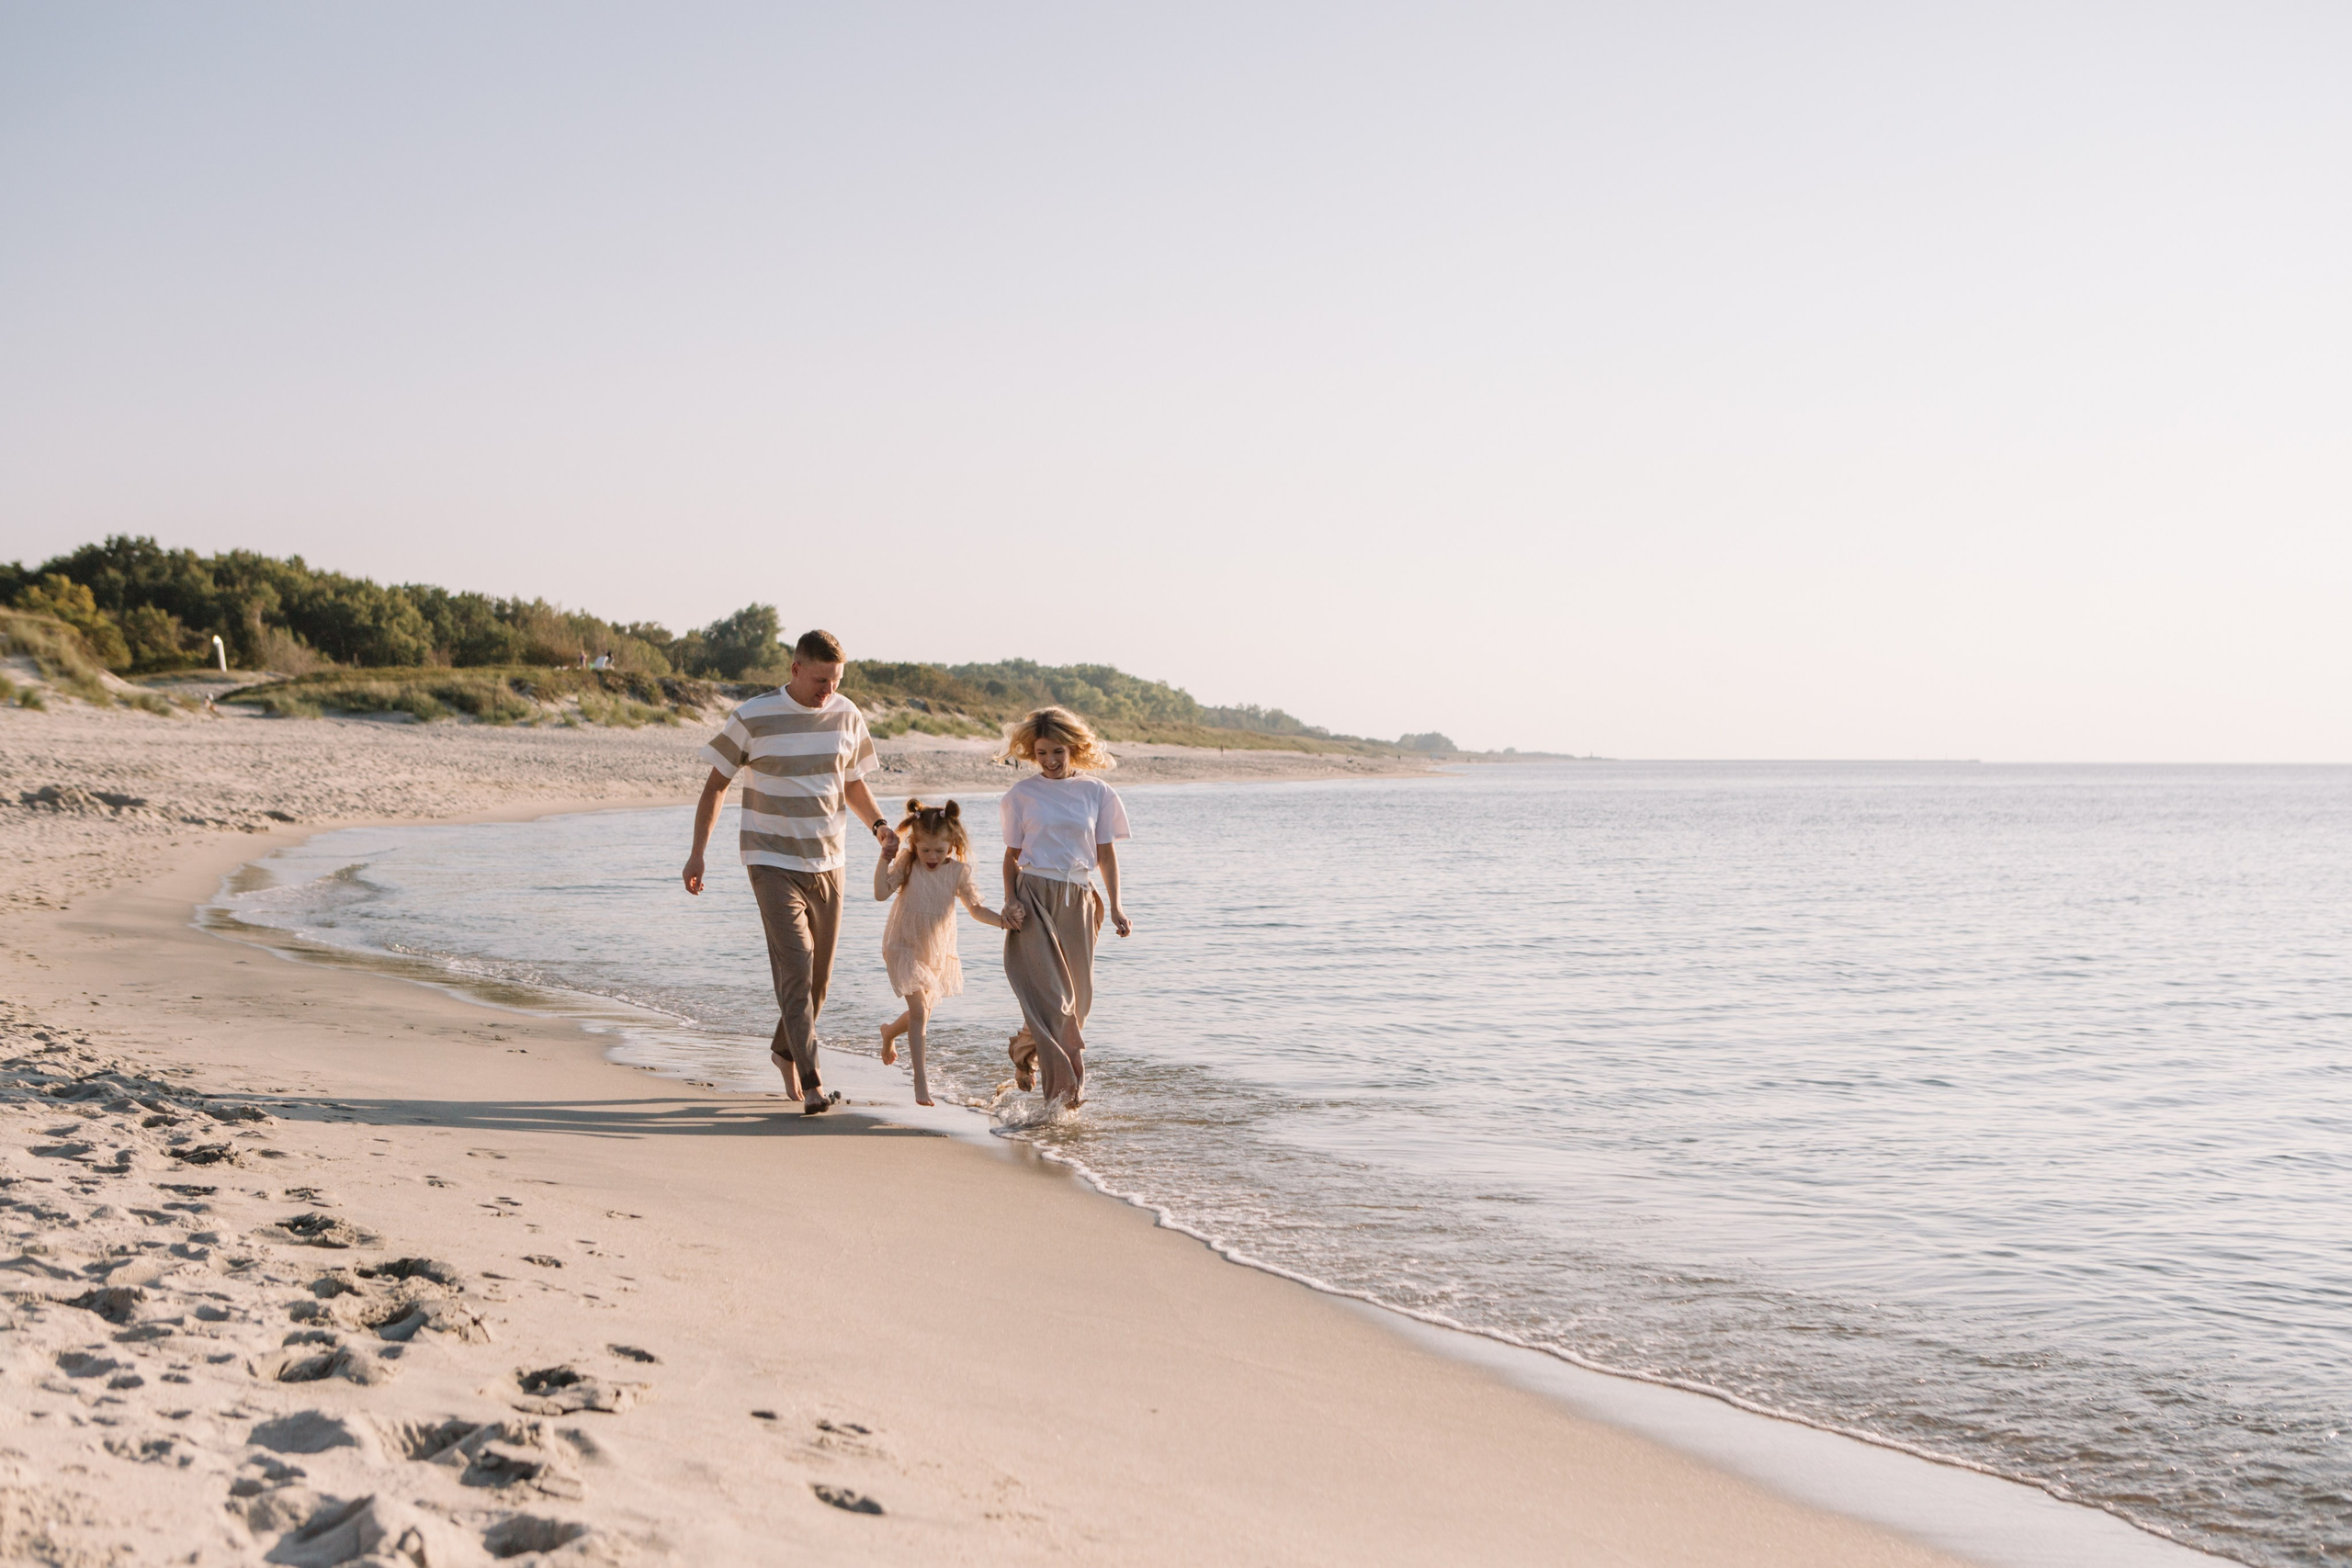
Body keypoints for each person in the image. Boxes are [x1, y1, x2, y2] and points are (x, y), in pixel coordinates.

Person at [681, 629, 898, 1115]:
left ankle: (783, 1049)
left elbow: (853, 783)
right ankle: (812, 1079)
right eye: (821, 680)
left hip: (829, 860)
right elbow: (716, 785)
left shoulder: (846, 714)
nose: (829, 691)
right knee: (796, 965)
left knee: (818, 981)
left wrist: (880, 827)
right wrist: (698, 853)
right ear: (795, 669)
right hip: (770, 859)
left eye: (837, 680)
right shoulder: (752, 716)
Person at [998, 705, 1133, 1110]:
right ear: (1031, 752)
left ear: (1073, 748)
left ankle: (1025, 1049)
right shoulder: (1021, 795)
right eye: (1041, 753)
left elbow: (1106, 857)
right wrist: (1009, 900)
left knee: (1078, 1002)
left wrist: (1117, 907)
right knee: (1055, 1001)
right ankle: (1062, 1099)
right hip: (1034, 896)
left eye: (1057, 751)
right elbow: (1011, 857)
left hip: (1078, 899)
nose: (1050, 761)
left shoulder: (1097, 792)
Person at [874, 799, 1008, 1106]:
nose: (932, 857)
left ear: (953, 844)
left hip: (934, 951)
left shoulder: (958, 872)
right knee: (921, 1012)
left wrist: (1003, 922)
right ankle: (921, 1082)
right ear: (914, 844)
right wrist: (885, 858)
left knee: (920, 1013)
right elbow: (881, 893)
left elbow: (974, 909)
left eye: (940, 850)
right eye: (925, 850)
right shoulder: (908, 862)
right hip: (902, 944)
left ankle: (889, 1033)